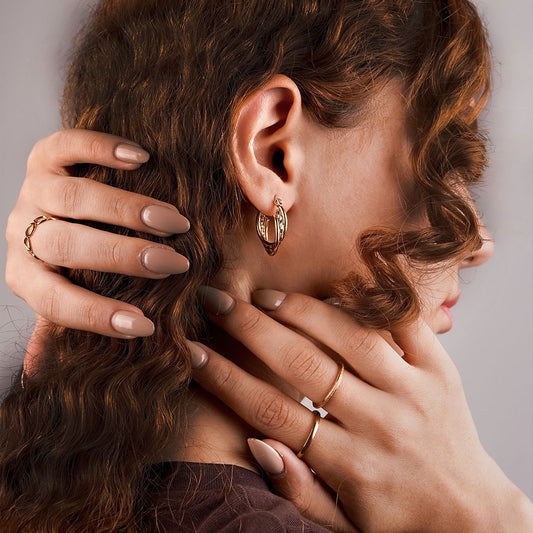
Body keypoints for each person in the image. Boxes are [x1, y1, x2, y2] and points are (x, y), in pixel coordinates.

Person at [2, 0, 533, 531]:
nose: (478, 241)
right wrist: (493, 518)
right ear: (271, 152)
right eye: (447, 160)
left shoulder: (30, 467)